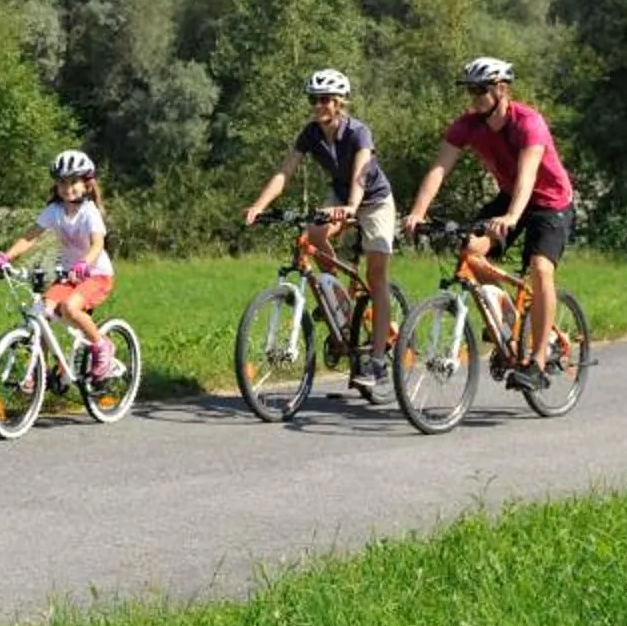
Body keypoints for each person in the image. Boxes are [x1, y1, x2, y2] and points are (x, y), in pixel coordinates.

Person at [403, 56, 574, 391]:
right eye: (470, 90)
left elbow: (528, 177)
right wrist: (417, 212)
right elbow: (439, 169)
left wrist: (510, 217)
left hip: (549, 201)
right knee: (471, 251)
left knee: (540, 269)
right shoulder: (467, 125)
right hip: (510, 198)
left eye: (480, 90)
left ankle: (538, 362)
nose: (474, 97)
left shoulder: (528, 122)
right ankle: (509, 321)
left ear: (501, 89)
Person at [240, 68, 398, 384]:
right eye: (314, 100)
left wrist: (352, 207)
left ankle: (379, 360)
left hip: (374, 199)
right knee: (311, 235)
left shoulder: (358, 132)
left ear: (340, 102)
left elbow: (362, 172)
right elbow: (284, 173)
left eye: (325, 100)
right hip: (339, 196)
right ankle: (335, 294)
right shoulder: (311, 133)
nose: (318, 106)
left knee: (376, 276)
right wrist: (259, 205)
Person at [0, 148, 125, 382]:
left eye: (74, 182)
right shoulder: (54, 211)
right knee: (41, 312)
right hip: (70, 276)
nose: (68, 188)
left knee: (70, 308)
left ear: (86, 184)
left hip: (97, 275)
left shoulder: (89, 212)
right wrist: (6, 257)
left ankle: (102, 346)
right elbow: (30, 236)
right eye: (62, 182)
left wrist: (84, 264)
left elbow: (97, 245)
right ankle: (38, 370)